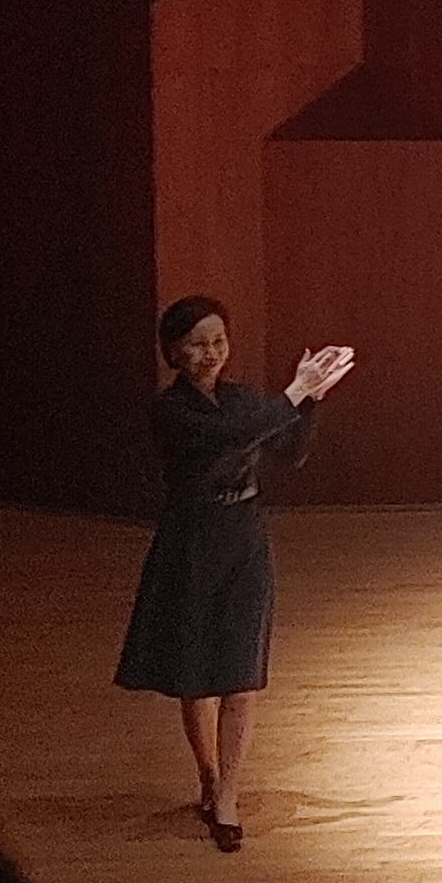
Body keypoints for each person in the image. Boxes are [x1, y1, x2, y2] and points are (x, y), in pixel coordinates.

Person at [116, 296, 354, 852]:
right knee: (196, 668)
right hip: (192, 541)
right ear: (174, 353)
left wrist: (310, 400)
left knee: (242, 671)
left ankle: (228, 791)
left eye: (219, 341)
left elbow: (288, 453)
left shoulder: (243, 399)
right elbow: (227, 443)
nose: (211, 353)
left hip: (243, 538)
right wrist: (291, 395)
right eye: (198, 344)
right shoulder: (169, 412)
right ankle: (207, 774)